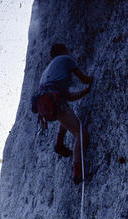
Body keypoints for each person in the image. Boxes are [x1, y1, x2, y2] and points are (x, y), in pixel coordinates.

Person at [36, 43, 93, 184]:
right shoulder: (65, 59)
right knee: (80, 133)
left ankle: (59, 143)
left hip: (46, 104)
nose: (69, 52)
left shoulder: (47, 72)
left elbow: (68, 97)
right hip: (55, 101)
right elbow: (85, 79)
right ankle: (77, 171)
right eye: (67, 50)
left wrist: (84, 92)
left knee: (66, 115)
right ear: (62, 51)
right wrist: (94, 80)